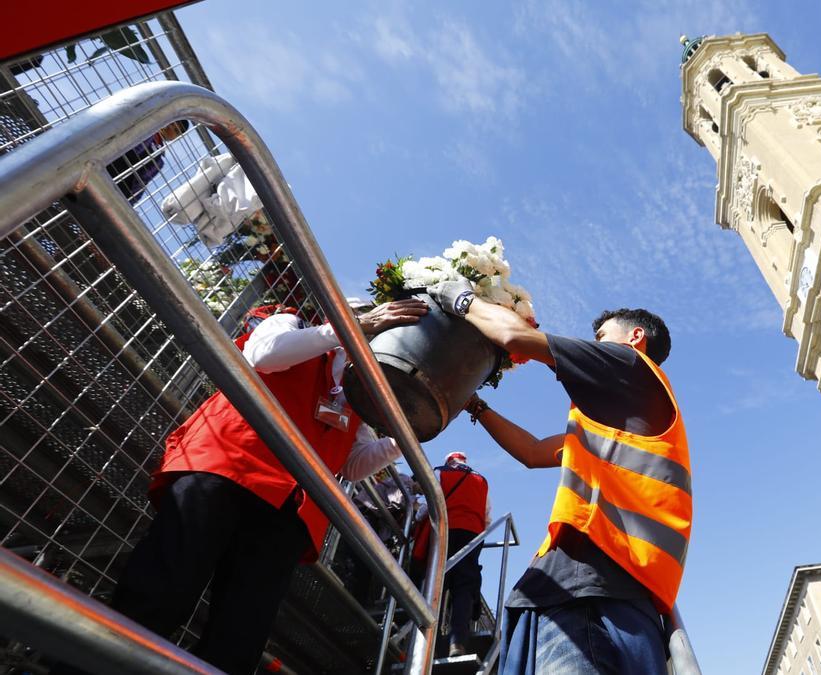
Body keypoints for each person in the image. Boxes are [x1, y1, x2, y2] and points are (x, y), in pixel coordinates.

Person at [57, 297, 428, 675]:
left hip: (290, 509)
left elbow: (352, 465)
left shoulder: (356, 394)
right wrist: (347, 330)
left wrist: (405, 434)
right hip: (228, 467)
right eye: (369, 323)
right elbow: (264, 355)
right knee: (159, 593)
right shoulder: (291, 322)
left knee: (240, 640)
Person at [428, 281, 692, 675]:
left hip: (590, 591)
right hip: (601, 591)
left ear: (635, 338)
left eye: (601, 337)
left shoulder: (631, 366)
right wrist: (476, 405)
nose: (595, 344)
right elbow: (534, 452)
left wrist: (459, 297)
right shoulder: (618, 425)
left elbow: (514, 336)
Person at [409, 451, 491, 657]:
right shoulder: (481, 480)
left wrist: (417, 517)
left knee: (436, 582)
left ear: (448, 461)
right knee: (463, 587)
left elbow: (429, 504)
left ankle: (424, 639)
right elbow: (487, 516)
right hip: (472, 535)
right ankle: (457, 642)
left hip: (445, 531)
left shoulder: (439, 473)